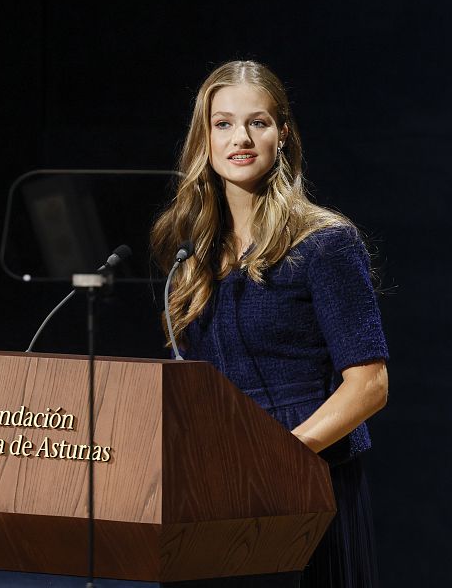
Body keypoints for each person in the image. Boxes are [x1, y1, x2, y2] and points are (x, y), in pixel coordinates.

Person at [150, 60, 389, 588]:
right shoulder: (192, 257)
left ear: (283, 134)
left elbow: (369, 386)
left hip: (310, 480)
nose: (241, 138)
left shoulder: (324, 243)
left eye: (257, 122)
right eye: (224, 123)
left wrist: (275, 461)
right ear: (204, 139)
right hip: (217, 492)